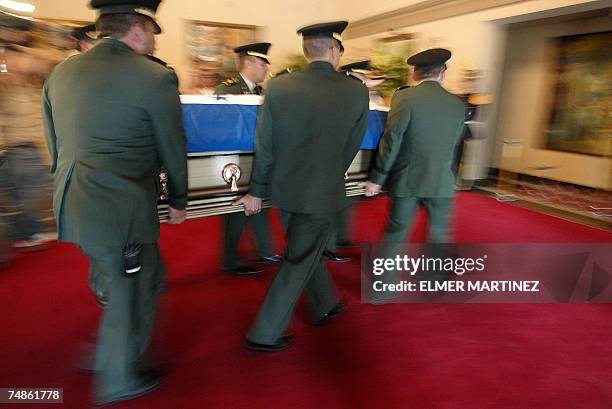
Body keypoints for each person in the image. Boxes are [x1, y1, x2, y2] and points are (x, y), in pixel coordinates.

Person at [42, 0, 187, 405]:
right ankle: (117, 380)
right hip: (119, 205)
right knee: (129, 288)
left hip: (74, 199)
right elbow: (172, 146)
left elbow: (55, 143)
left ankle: (111, 353)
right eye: (153, 31)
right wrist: (178, 197)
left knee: (146, 273)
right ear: (138, 28)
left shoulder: (63, 70)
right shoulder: (153, 77)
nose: (155, 40)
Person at [235, 21, 369, 351]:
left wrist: (258, 189)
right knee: (299, 258)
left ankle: (325, 303)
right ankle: (264, 333)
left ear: (306, 51)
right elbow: (352, 144)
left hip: (284, 187)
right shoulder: (355, 90)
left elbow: (265, 144)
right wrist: (330, 172)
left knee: (302, 247)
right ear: (335, 51)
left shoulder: (279, 87)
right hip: (322, 189)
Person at [362, 49, 465, 300]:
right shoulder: (457, 104)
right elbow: (457, 146)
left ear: (415, 73)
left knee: (396, 234)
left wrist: (378, 177)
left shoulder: (405, 98)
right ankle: (433, 283)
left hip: (407, 179)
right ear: (443, 72)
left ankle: (383, 290)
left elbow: (392, 140)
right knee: (440, 232)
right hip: (442, 180)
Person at [215, 42, 281, 276]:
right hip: (236, 160)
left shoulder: (262, 93)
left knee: (259, 202)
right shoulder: (228, 90)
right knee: (236, 209)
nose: (266, 69)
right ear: (250, 62)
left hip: (259, 158)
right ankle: (230, 259)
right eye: (263, 64)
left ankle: (265, 249)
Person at [0, 12, 59, 252]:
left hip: (23, 137)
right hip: (13, 138)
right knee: (20, 190)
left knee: (31, 188)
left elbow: (49, 66)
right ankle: (27, 233)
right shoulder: (9, 58)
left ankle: (29, 233)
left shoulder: (23, 55)